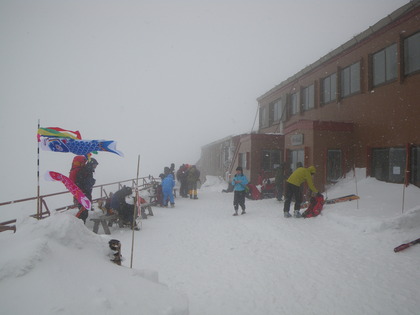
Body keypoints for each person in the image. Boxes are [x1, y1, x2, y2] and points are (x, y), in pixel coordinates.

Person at [75, 158, 98, 223]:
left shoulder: (88, 171)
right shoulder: (86, 171)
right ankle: (79, 228)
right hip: (83, 194)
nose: (95, 167)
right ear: (91, 164)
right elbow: (84, 183)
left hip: (84, 194)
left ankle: (81, 227)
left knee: (84, 213)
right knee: (83, 213)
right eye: (94, 165)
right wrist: (92, 181)